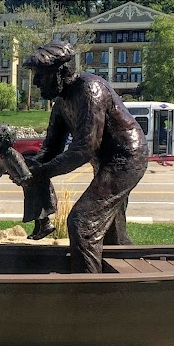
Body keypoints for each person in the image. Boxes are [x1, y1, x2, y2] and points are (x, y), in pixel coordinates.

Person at [23, 41, 148, 273]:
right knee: (111, 230)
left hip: (126, 158)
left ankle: (89, 294)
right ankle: (130, 277)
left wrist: (44, 171)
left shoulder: (90, 89)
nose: (36, 82)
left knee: (82, 223)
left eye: (40, 75)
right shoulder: (61, 103)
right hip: (105, 162)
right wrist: (31, 166)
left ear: (60, 72)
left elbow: (83, 149)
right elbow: (50, 148)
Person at [0, 123, 56, 239]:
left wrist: (24, 178)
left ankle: (46, 226)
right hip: (28, 186)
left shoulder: (12, 155)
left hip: (33, 184)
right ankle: (37, 229)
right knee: (33, 208)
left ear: (3, 142)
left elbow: (23, 169)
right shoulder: (5, 156)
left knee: (37, 207)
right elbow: (1, 168)